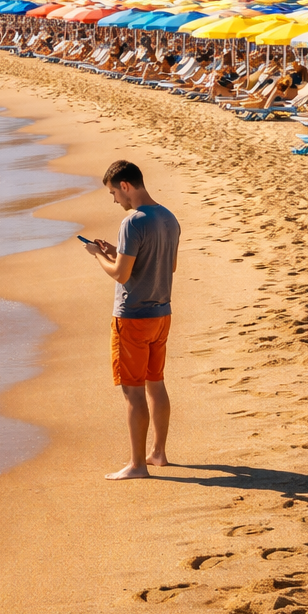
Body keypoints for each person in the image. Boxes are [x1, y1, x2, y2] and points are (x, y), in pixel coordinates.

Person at [83, 160, 180, 481]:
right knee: (156, 383)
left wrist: (99, 256)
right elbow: (167, 265)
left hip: (133, 317)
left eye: (113, 192)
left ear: (125, 185)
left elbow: (121, 275)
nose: (114, 200)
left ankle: (138, 464)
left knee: (133, 391)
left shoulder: (133, 222)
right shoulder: (168, 217)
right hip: (161, 313)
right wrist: (116, 251)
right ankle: (159, 453)